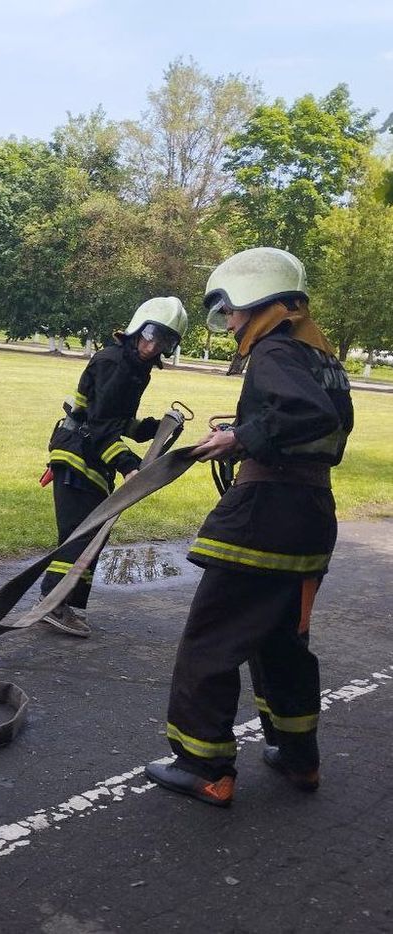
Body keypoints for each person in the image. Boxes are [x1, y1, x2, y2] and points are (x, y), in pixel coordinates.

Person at [145, 247, 353, 807]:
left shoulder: (275, 351)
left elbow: (309, 416)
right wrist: (246, 428)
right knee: (281, 643)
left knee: (209, 641)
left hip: (266, 515)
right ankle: (298, 758)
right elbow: (321, 424)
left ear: (257, 299)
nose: (231, 321)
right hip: (310, 515)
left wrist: (239, 439)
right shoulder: (320, 356)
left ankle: (203, 765)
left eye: (232, 309)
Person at [39, 297, 189, 637]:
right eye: (150, 334)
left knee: (91, 535)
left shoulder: (136, 368)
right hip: (77, 456)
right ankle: (53, 602)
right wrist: (130, 466)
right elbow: (100, 427)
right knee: (81, 534)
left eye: (164, 341)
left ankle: (60, 602)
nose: (152, 346)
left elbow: (117, 423)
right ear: (137, 327)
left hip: (93, 456)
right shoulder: (114, 362)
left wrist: (155, 428)